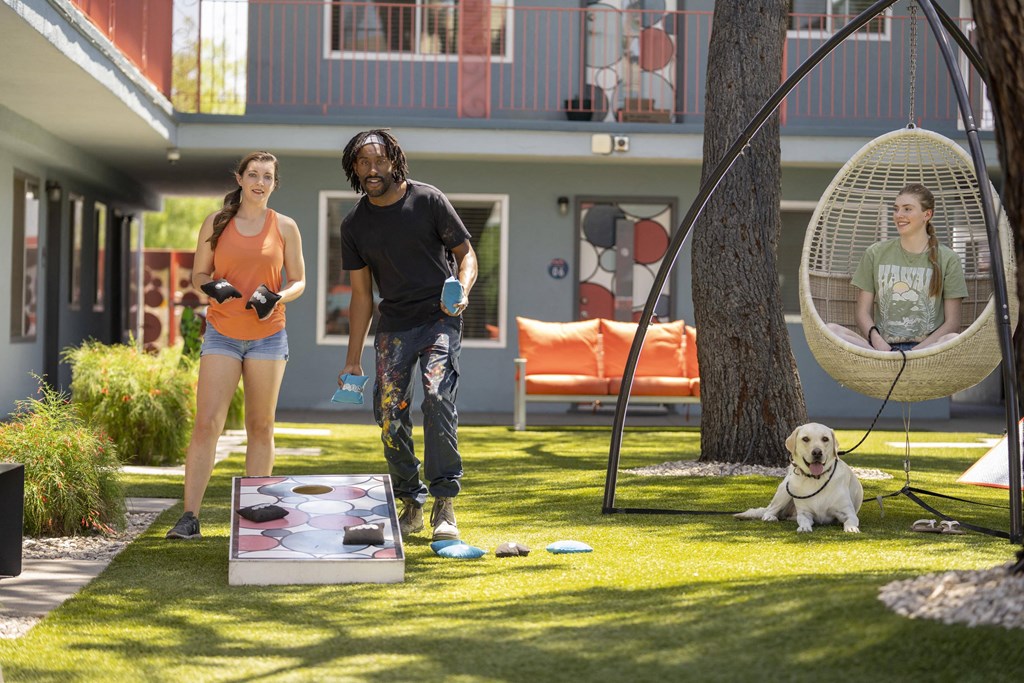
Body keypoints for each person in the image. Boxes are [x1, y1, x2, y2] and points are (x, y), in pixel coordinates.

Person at [337, 129, 478, 542]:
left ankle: (445, 502)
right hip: (394, 326)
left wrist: (463, 292)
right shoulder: (354, 225)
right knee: (388, 414)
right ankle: (411, 503)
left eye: (379, 160)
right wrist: (351, 360)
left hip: (439, 317)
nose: (372, 169)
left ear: (395, 160)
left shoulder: (428, 200)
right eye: (363, 162)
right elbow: (361, 296)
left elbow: (465, 254)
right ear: (353, 168)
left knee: (436, 397)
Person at [166, 151, 306, 540]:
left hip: (268, 337)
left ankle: (256, 513)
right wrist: (214, 288)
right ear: (240, 179)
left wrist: (278, 297)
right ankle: (189, 517)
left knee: (260, 426)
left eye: (268, 177)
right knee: (207, 423)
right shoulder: (216, 222)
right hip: (222, 334)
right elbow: (198, 273)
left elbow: (298, 280)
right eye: (254, 174)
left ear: (274, 184)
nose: (260, 182)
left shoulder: (285, 226)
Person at [827, 183, 968, 353]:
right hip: (882, 349)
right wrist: (880, 345)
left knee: (952, 339)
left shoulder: (948, 259)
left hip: (927, 351)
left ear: (927, 214)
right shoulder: (875, 253)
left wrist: (914, 354)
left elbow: (952, 323)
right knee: (832, 330)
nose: (899, 215)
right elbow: (862, 313)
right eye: (896, 209)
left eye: (907, 209)